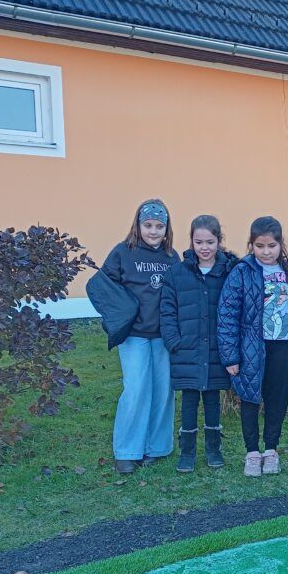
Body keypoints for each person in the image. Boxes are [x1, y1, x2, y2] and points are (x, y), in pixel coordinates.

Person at [217, 216, 288, 476]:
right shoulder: (242, 272)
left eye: (272, 246)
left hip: (283, 345)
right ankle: (252, 451)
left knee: (277, 396)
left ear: (280, 244)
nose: (266, 252)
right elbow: (227, 314)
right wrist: (230, 356)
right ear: (251, 244)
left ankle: (271, 449)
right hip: (251, 346)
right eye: (260, 246)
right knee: (250, 395)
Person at [101, 199, 179, 475]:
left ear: (167, 228)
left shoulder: (172, 257)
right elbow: (104, 287)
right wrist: (115, 318)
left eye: (160, 226)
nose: (154, 231)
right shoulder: (123, 253)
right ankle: (126, 451)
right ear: (138, 225)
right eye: (148, 225)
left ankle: (156, 447)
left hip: (163, 335)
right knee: (136, 389)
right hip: (133, 335)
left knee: (162, 390)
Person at [160, 215, 236, 472]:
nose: (204, 247)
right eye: (198, 242)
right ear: (191, 241)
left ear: (219, 241)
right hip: (188, 350)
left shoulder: (228, 272)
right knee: (189, 400)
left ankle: (214, 449)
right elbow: (167, 310)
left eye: (210, 242)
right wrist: (174, 341)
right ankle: (187, 451)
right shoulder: (178, 272)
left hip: (216, 350)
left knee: (212, 399)